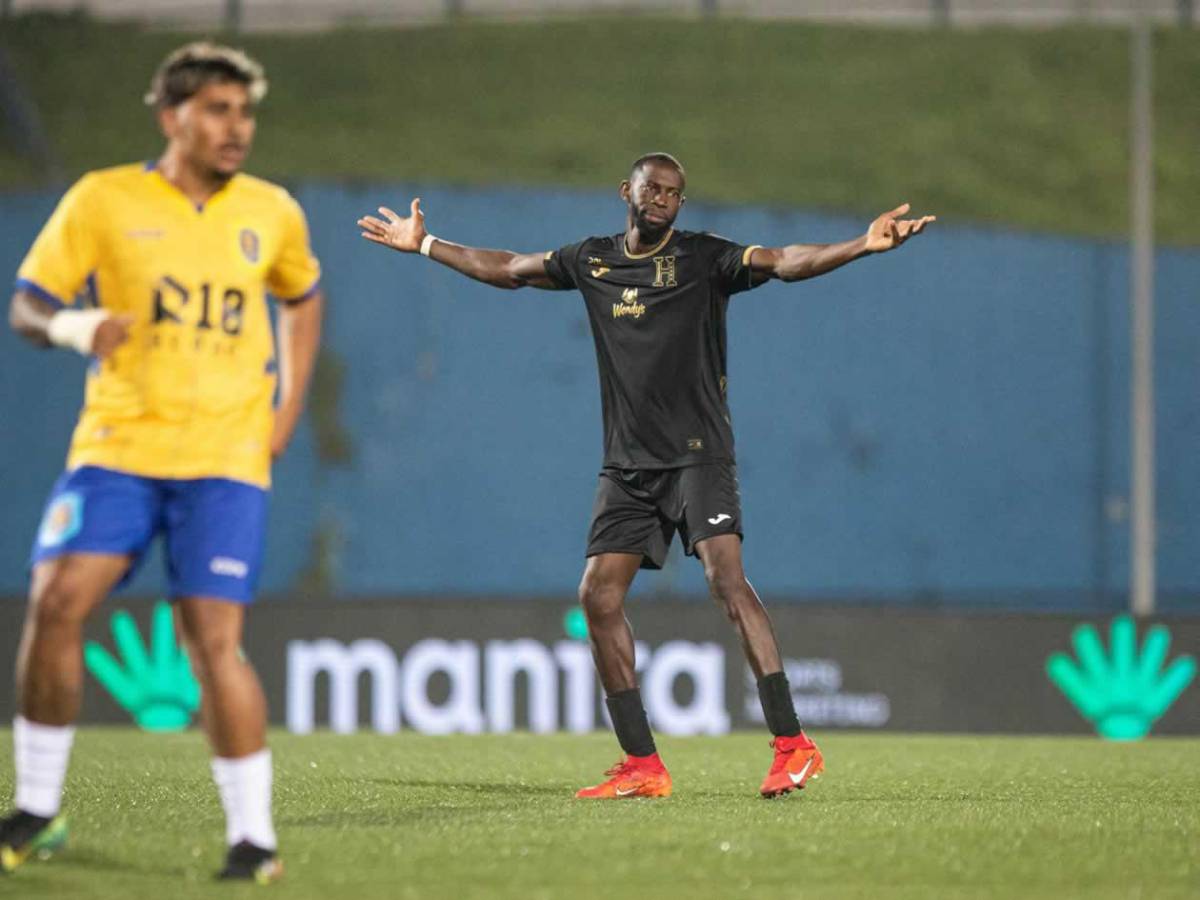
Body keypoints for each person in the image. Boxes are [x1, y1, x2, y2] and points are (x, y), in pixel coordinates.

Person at [357, 152, 933, 799]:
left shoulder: (704, 259)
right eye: (652, 187)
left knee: (726, 580)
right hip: (628, 465)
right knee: (598, 598)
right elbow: (511, 270)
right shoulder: (591, 260)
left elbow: (784, 260)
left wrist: (860, 244)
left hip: (697, 453)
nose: (662, 198)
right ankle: (642, 765)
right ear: (625, 191)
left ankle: (794, 744)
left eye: (674, 193)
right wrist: (427, 243)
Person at [2, 43, 322, 880]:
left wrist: (287, 407)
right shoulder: (104, 198)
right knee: (57, 598)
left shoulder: (273, 211)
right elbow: (29, 305)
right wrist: (74, 328)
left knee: (213, 641)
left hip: (223, 457)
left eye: (245, 113)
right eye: (219, 110)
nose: (237, 128)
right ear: (171, 115)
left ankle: (253, 840)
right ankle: (36, 809)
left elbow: (303, 296)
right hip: (118, 448)